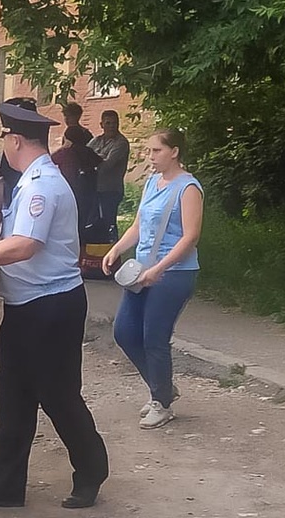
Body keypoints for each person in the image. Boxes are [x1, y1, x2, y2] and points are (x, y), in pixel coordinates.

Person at [0, 101, 108, 509]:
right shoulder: (32, 180)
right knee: (13, 397)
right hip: (28, 306)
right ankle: (3, 488)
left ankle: (91, 471)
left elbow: (25, 246)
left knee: (59, 395)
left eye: (5, 139)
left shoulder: (41, 185)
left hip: (50, 306)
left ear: (14, 140)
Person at [102, 128, 204, 430]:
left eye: (156, 151)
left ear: (174, 152)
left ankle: (161, 402)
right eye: (148, 151)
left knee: (154, 338)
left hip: (174, 273)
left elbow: (191, 237)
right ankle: (162, 387)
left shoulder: (188, 188)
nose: (150, 157)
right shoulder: (151, 182)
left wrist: (160, 269)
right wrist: (117, 249)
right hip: (142, 269)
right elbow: (138, 224)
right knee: (123, 331)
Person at [51, 125, 104, 245]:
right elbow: (100, 162)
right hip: (88, 193)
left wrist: (63, 147)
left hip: (69, 193)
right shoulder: (88, 152)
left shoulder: (64, 153)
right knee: (83, 223)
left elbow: (50, 161)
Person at [88, 110, 131, 242]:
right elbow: (84, 154)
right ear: (101, 124)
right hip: (95, 188)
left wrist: (93, 159)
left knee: (109, 222)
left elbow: (107, 165)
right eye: (108, 123)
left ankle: (113, 250)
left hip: (111, 190)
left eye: (114, 123)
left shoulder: (121, 143)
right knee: (94, 222)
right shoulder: (96, 140)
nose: (112, 126)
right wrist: (97, 158)